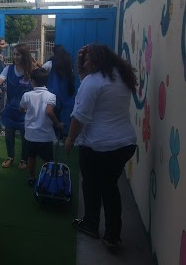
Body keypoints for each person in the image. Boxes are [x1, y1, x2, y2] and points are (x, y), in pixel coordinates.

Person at [65, 44, 137, 249]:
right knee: (110, 188)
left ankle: (91, 224)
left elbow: (80, 116)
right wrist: (82, 69)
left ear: (98, 60)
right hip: (125, 144)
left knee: (91, 187)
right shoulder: (120, 76)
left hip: (98, 147)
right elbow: (92, 92)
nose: (85, 63)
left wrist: (70, 139)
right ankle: (113, 235)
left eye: (88, 60)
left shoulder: (93, 81)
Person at [0, 43, 33, 170]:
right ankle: (10, 157)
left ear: (25, 55)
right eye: (14, 54)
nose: (15, 57)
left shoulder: (31, 71)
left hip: (26, 112)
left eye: (18, 54)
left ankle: (24, 159)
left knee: (25, 137)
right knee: (9, 135)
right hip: (11, 109)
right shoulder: (9, 69)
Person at [19, 68, 63, 186]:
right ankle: (49, 179)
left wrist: (27, 111)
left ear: (32, 81)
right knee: (48, 160)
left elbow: (21, 108)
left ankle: (32, 177)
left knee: (31, 157)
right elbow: (49, 112)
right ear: (46, 81)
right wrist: (58, 124)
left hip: (30, 135)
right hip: (45, 135)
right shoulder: (51, 96)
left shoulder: (26, 95)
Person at [42, 45, 76, 141]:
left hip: (53, 92)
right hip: (65, 93)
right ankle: (62, 136)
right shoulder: (68, 63)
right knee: (62, 115)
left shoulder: (51, 63)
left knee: (52, 115)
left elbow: (41, 72)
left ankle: (54, 137)